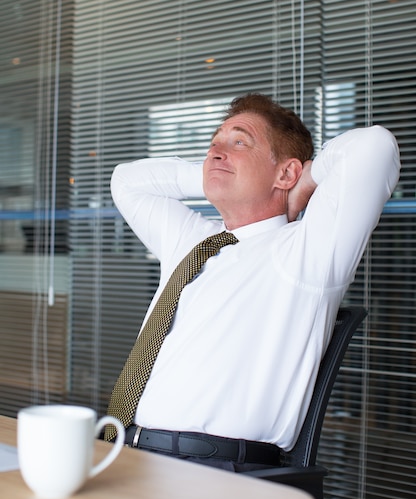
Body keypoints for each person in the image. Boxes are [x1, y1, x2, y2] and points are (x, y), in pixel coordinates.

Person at [108, 93, 400, 471]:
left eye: (239, 141)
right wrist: (214, 172)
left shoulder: (304, 252)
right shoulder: (192, 241)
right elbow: (126, 180)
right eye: (214, 143)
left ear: (285, 172)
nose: (216, 152)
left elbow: (373, 147)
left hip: (211, 471)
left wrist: (306, 180)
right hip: (128, 453)